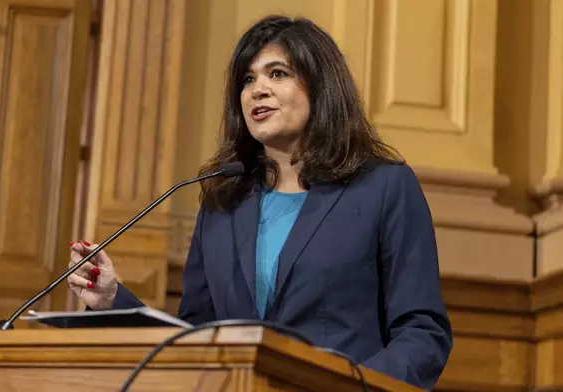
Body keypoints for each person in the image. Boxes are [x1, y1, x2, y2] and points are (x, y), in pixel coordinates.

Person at [68, 14, 452, 390]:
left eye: (278, 73)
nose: (257, 89)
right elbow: (192, 338)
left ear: (322, 87)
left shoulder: (383, 187)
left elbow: (422, 332)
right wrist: (112, 300)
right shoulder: (223, 200)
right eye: (248, 79)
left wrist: (354, 386)